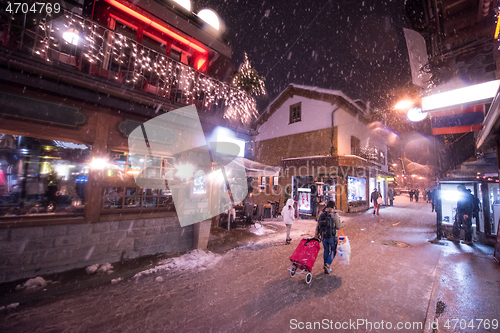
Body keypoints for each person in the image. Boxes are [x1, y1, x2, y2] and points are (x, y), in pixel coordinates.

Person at [316, 201, 345, 274]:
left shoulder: (322, 213)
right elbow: (338, 226)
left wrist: (316, 234)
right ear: (333, 206)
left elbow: (318, 225)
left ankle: (325, 265)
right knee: (333, 251)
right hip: (332, 236)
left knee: (326, 250)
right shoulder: (335, 214)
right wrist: (343, 224)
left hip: (323, 236)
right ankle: (327, 264)